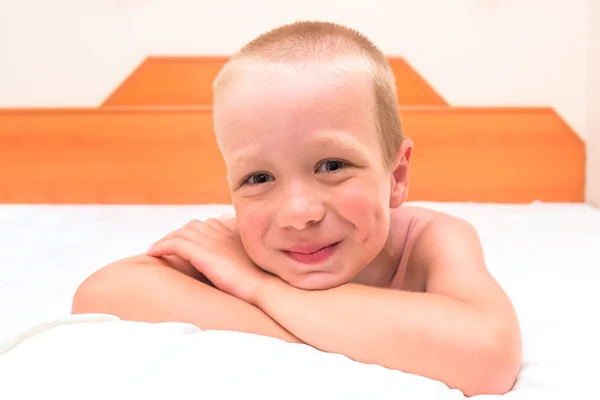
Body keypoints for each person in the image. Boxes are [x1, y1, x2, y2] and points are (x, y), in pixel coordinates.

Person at [71, 21, 522, 396]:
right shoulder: (240, 243)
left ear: (396, 177)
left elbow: (491, 355)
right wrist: (359, 337)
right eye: (258, 178)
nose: (297, 213)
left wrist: (261, 290)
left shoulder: (431, 239)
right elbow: (103, 293)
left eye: (332, 165)